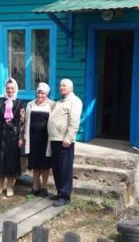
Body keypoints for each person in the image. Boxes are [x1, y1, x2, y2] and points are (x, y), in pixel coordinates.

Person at [47, 78, 83, 206]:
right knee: (56, 168)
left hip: (64, 140)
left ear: (70, 87)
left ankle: (65, 197)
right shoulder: (60, 101)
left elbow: (74, 122)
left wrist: (69, 137)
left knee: (64, 168)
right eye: (60, 85)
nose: (61, 87)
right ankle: (60, 192)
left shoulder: (75, 101)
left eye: (64, 85)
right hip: (55, 139)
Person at [0, 78, 26, 197]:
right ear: (5, 89)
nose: (10, 90)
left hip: (13, 136)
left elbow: (22, 122)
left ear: (16, 89)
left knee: (11, 161)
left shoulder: (20, 103)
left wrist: (21, 138)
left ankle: (9, 187)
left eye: (12, 88)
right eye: (8, 88)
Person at [23, 82, 55, 197]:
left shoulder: (52, 105)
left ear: (47, 94)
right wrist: (25, 137)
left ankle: (44, 187)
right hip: (33, 139)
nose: (40, 96)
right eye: (39, 93)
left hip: (46, 140)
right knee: (35, 164)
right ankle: (35, 187)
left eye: (43, 94)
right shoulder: (30, 105)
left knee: (45, 165)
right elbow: (26, 121)